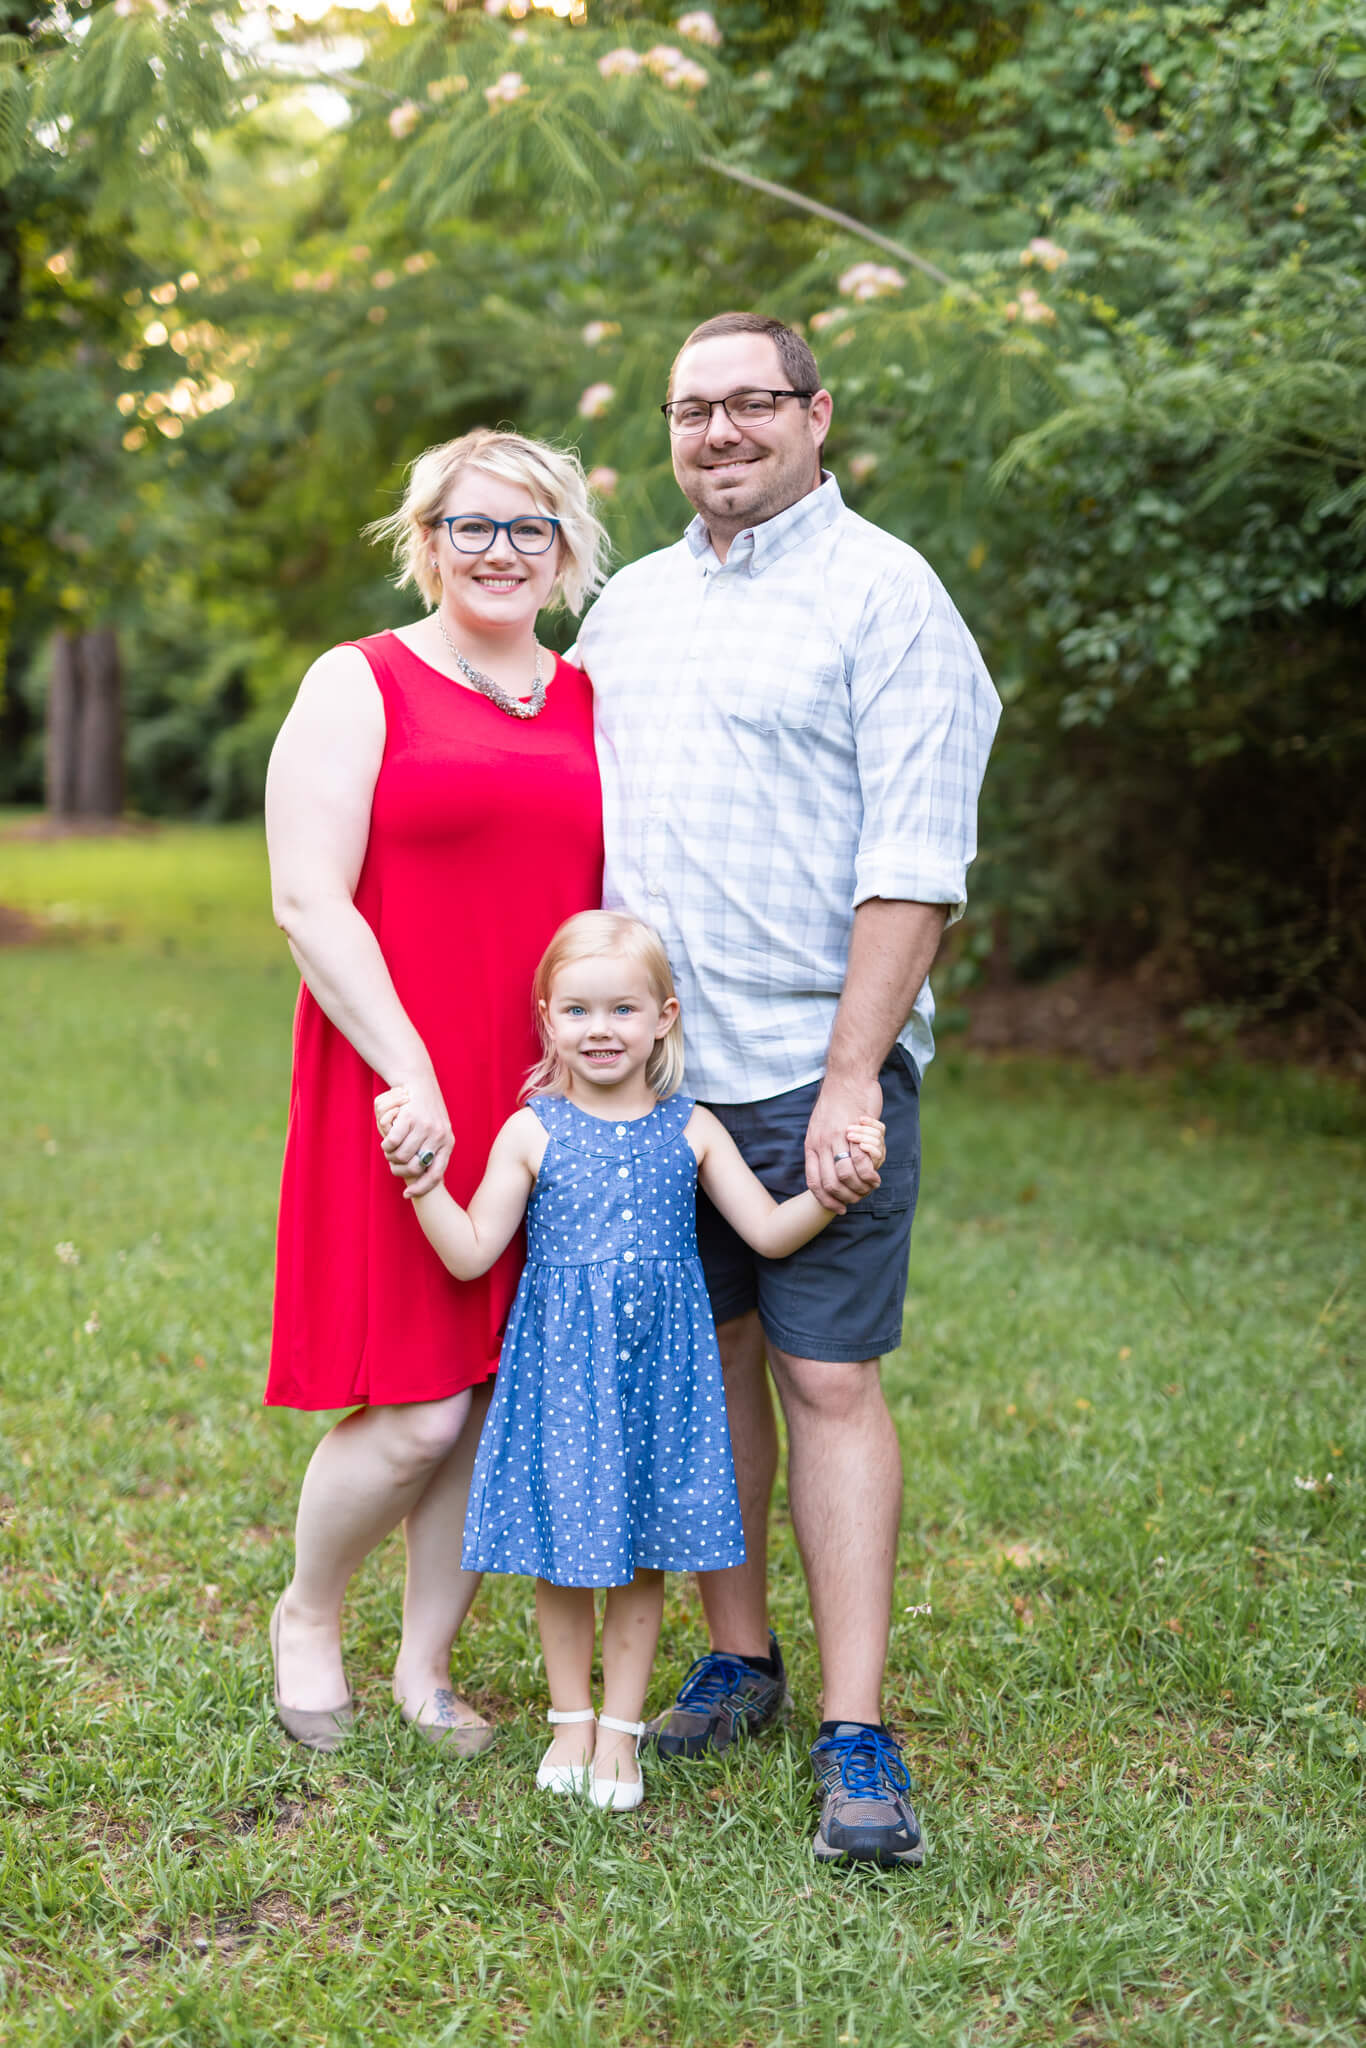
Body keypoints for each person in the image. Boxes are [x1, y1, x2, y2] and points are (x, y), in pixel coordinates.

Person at [575, 311, 1001, 1867]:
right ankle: (739, 1656)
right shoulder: (629, 604)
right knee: (713, 1362)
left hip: (806, 1070)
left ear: (816, 415)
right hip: (646, 1080)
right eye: (695, 410)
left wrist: (850, 1080)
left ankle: (855, 1727)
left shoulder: (885, 596)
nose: (719, 433)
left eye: (751, 403)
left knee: (823, 1378)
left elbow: (913, 865)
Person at [373, 910, 886, 1811]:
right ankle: (569, 1720)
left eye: (622, 1009)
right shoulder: (532, 1131)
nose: (599, 1029)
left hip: (657, 1385)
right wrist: (423, 1185)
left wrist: (829, 1194)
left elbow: (767, 1233)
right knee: (563, 1562)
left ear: (665, 1018)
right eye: (576, 1011)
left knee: (640, 1559)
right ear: (546, 1020)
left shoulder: (690, 1131)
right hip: (563, 1381)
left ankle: (619, 1732)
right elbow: (468, 1251)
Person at [262, 430, 607, 1754]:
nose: (501, 551)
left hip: (540, 1088)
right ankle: (306, 1613)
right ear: (428, 538)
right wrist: (412, 1072)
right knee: (415, 1406)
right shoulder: (362, 681)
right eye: (473, 526)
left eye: (528, 528)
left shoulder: (585, 697)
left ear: (565, 545)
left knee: (489, 1382)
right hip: (397, 1074)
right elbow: (306, 898)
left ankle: (422, 1667)